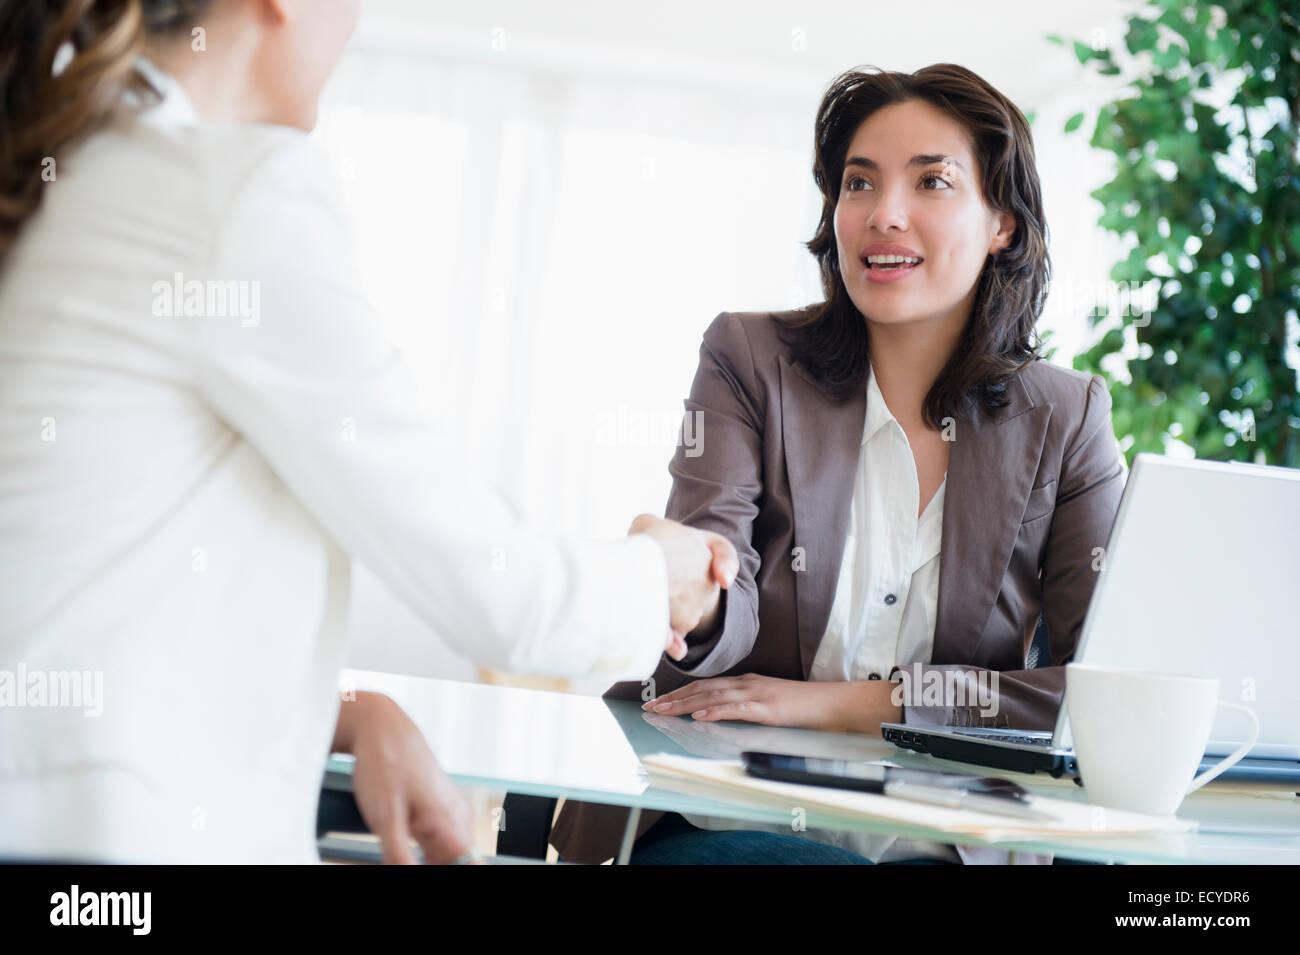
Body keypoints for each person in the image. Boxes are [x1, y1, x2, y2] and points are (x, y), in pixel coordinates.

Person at [0, 0, 736, 863]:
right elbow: (502, 594)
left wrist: (351, 716)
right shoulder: (237, 189)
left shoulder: (88, 173)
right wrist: (668, 574)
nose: (353, 25)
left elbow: (129, 592)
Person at [551, 63, 1126, 865]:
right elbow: (723, 611)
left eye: (932, 182)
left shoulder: (1068, 419)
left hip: (943, 844)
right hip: (727, 815)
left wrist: (847, 705)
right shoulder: (747, 358)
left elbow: (1101, 695)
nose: (883, 215)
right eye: (860, 183)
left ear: (1003, 223)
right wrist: (688, 584)